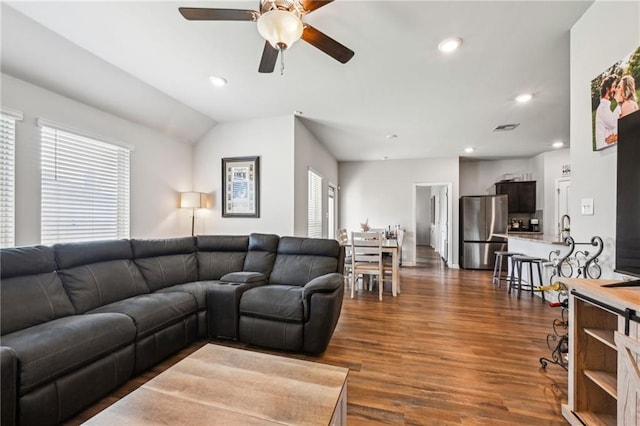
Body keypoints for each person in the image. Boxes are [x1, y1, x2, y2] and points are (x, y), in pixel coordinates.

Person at [594, 74, 621, 148]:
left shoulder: (605, 106)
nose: (615, 89)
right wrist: (619, 103)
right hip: (605, 148)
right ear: (607, 89)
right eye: (613, 86)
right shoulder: (602, 108)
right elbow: (613, 123)